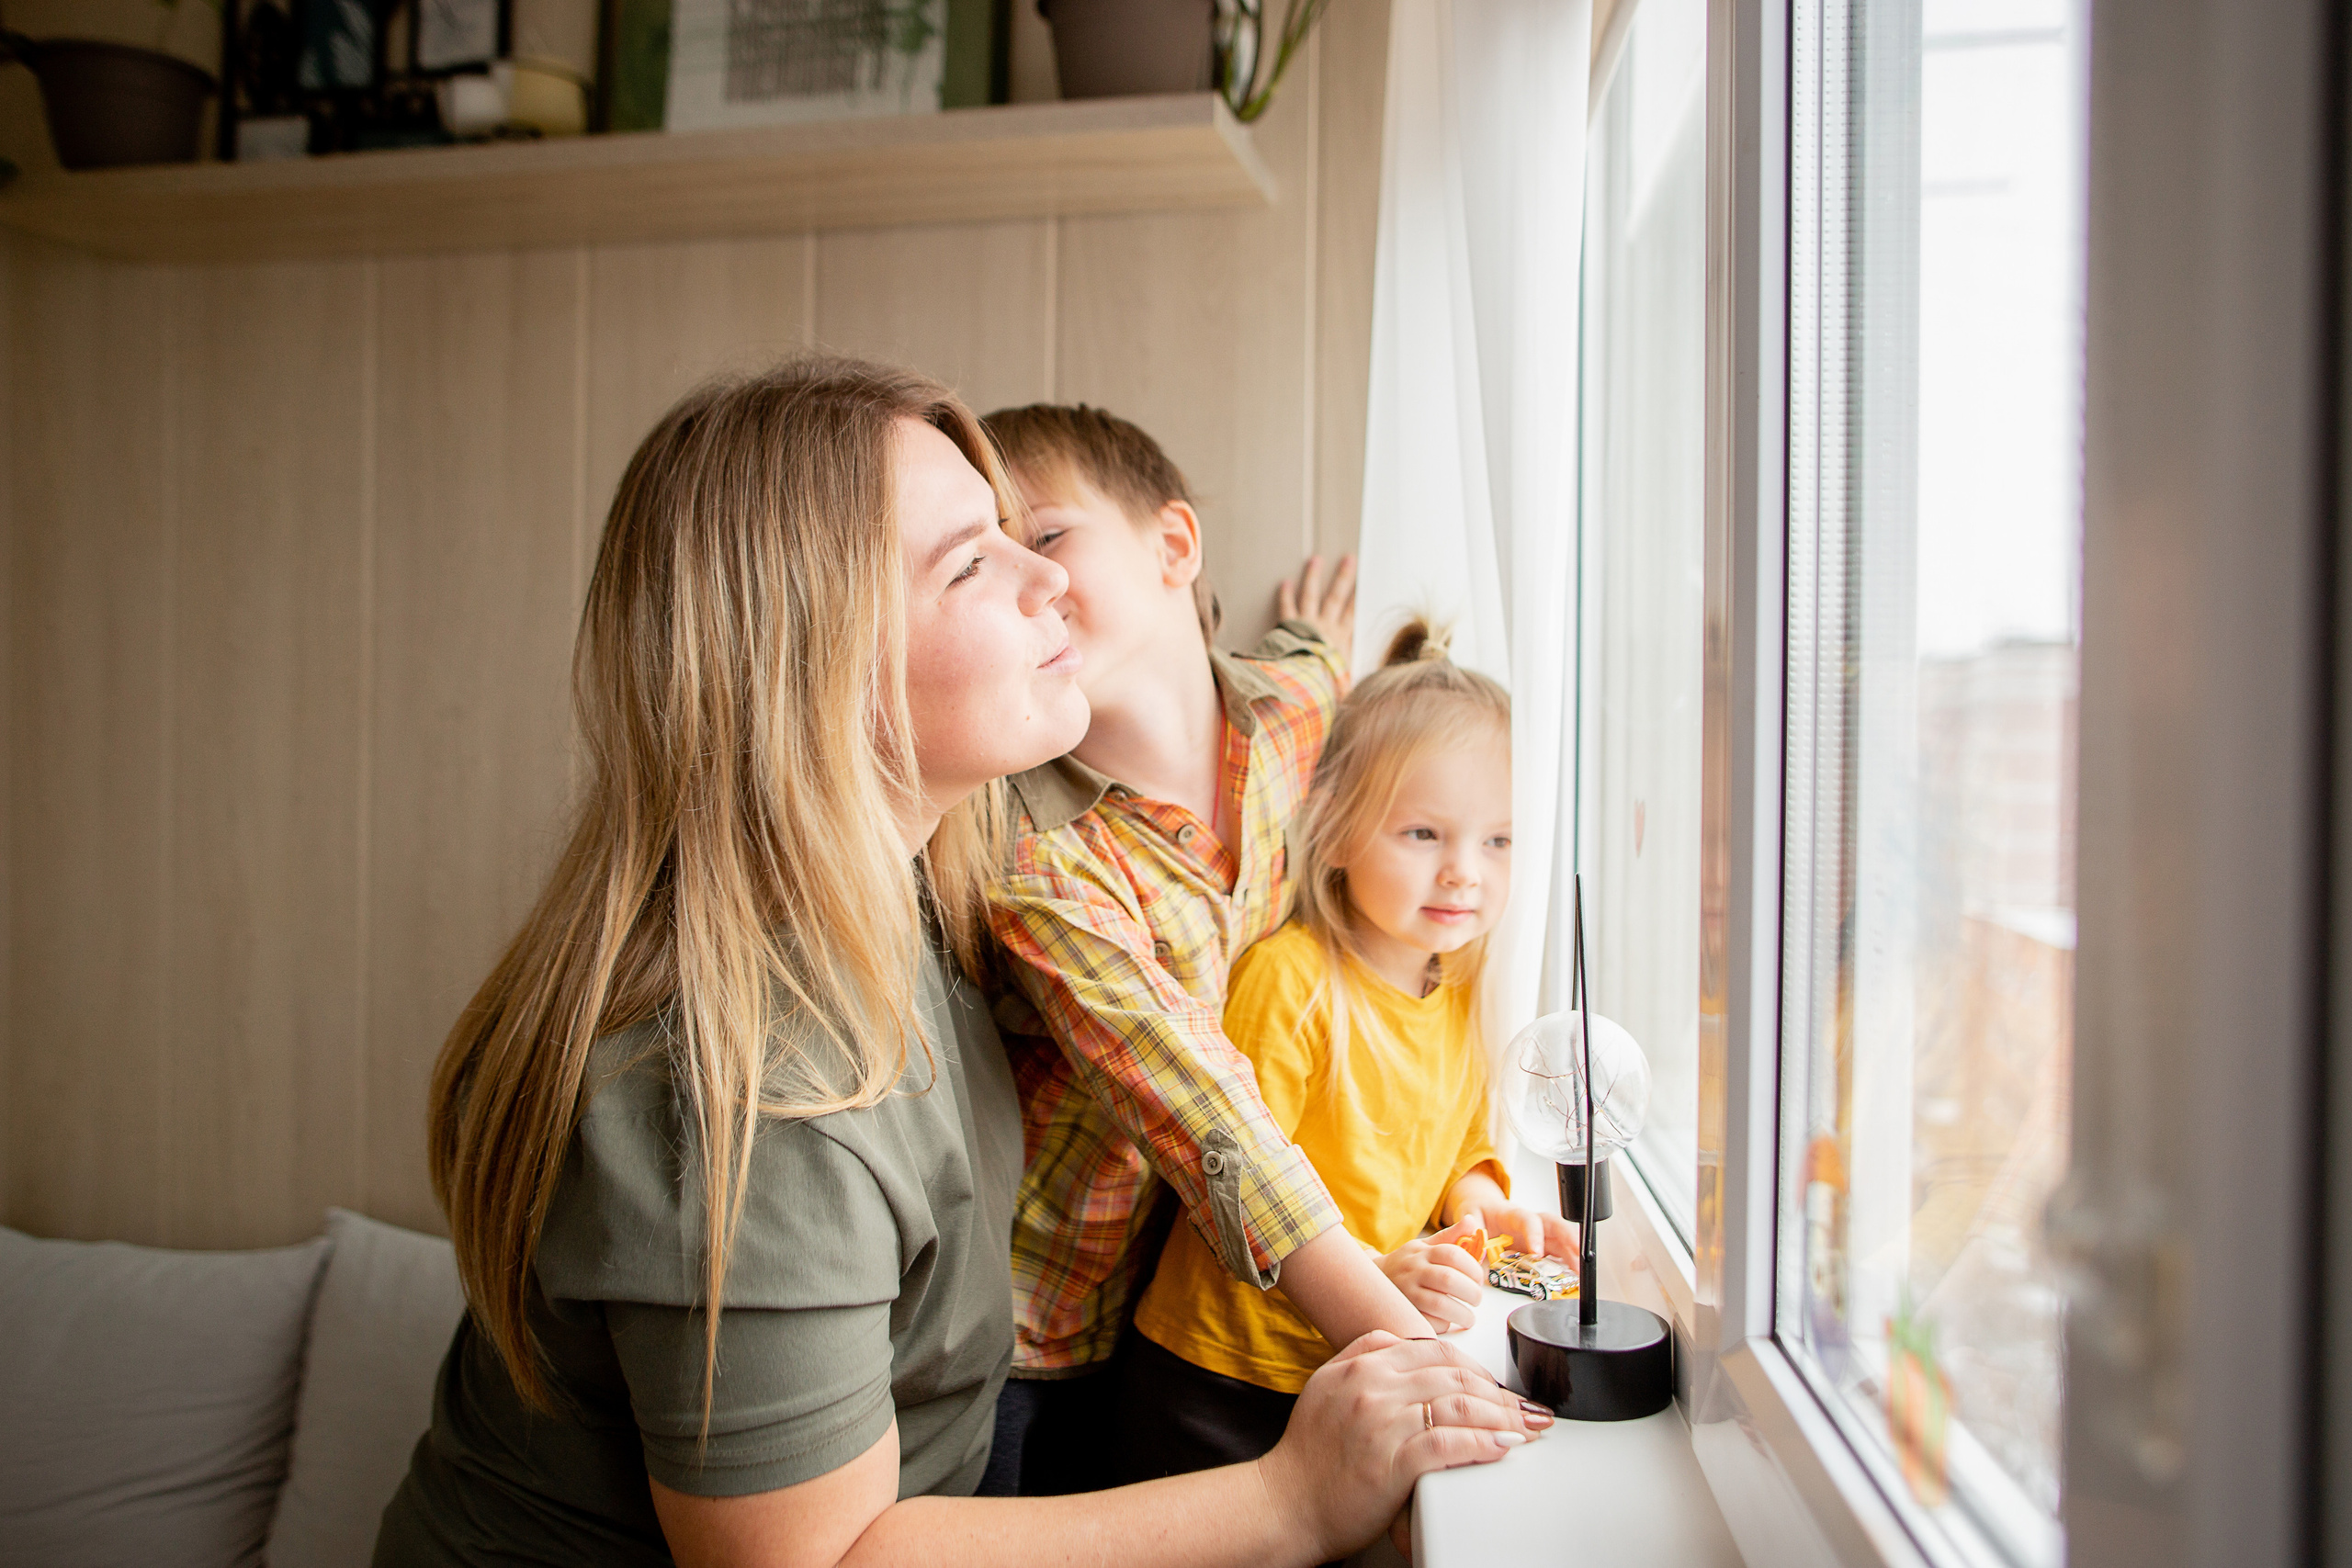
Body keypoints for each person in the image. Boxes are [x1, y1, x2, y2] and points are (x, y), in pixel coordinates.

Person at [371, 358, 1544, 1568]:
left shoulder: (921, 894)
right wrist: (1291, 1498)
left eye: (1032, 536)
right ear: (817, 659)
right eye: (975, 560)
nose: (1050, 580)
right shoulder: (757, 1090)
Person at [978, 405, 1476, 1498]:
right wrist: (1413, 1356)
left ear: (1174, 547)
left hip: (1174, 1305)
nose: (1027, 583)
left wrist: (1311, 636)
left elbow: (1310, 670)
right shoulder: (1036, 854)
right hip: (1019, 1324)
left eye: (1048, 535)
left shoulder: (1299, 715)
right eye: (989, 562)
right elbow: (1199, 1106)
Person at [1114, 621, 1580, 1481]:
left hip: (1346, 1366)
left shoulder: (1465, 987)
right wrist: (1375, 1270)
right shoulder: (1289, 981)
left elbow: (1450, 1143)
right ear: (1334, 832)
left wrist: (1483, 1206)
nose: (1465, 871)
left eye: (1499, 840)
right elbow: (1233, 1194)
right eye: (1423, 833)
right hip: (1215, 1374)